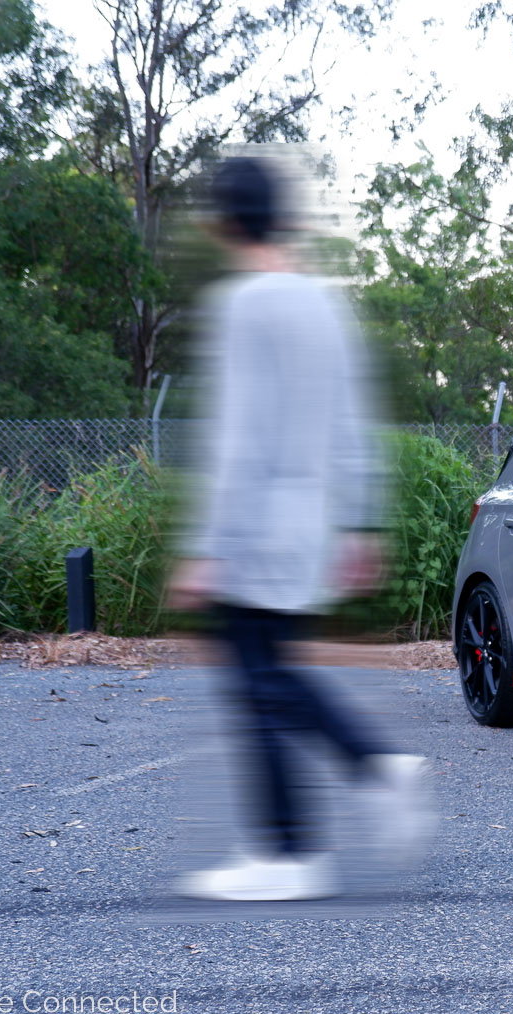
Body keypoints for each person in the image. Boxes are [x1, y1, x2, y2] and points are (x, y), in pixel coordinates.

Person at [168, 155, 430, 901]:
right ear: (279, 214)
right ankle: (335, 802)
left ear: (224, 223)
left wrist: (205, 547)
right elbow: (353, 424)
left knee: (257, 677)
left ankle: (294, 845)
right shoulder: (323, 303)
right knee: (268, 674)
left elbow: (237, 439)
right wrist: (360, 526)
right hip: (310, 524)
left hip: (255, 525)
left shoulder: (244, 303)